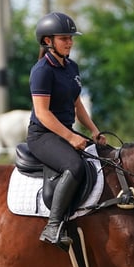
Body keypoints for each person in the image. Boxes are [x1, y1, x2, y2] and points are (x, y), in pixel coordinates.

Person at [27, 12, 106, 249]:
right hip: (43, 135)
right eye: (64, 38)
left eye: (71, 38)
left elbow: (77, 103)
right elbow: (42, 113)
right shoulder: (42, 70)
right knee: (74, 165)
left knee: (107, 155)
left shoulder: (71, 66)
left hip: (64, 131)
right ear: (48, 41)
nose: (70, 42)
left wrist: (94, 131)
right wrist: (70, 137)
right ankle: (53, 226)